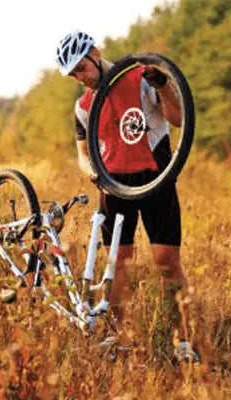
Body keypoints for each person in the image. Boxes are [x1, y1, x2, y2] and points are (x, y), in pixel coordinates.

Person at [55, 29, 198, 362]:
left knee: (166, 264)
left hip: (155, 180)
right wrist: (92, 171)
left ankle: (183, 341)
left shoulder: (140, 77)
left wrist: (163, 85)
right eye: (72, 74)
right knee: (117, 265)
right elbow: (82, 152)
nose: (79, 77)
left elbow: (177, 119)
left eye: (81, 68)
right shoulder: (83, 106)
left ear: (95, 52)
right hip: (113, 187)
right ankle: (123, 339)